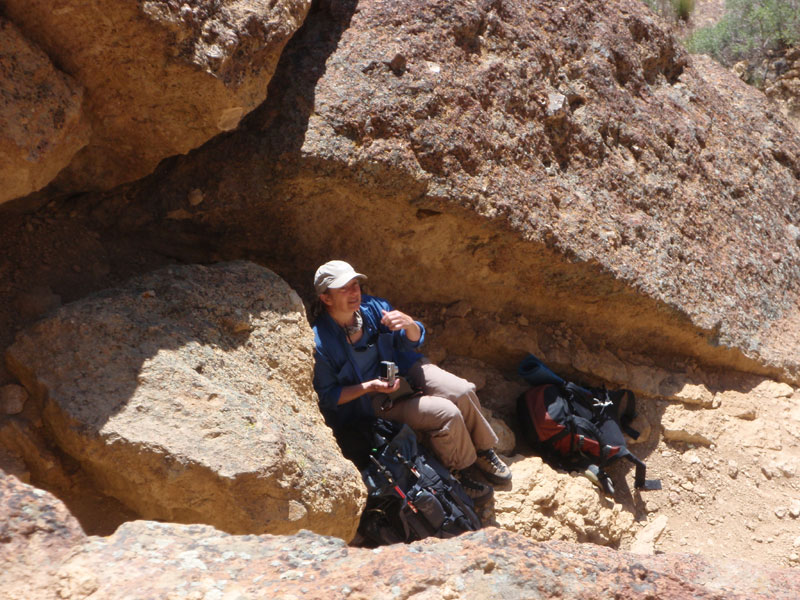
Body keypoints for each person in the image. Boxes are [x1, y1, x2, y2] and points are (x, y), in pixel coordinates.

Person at [311, 259, 511, 503]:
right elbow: (328, 396)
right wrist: (370, 387)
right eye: (343, 288)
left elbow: (411, 341)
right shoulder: (321, 343)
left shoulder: (373, 308)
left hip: (404, 368)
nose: (354, 292)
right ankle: (460, 467)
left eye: (355, 284)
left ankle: (483, 449)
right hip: (370, 401)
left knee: (462, 390)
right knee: (446, 412)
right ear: (326, 298)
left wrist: (411, 326)